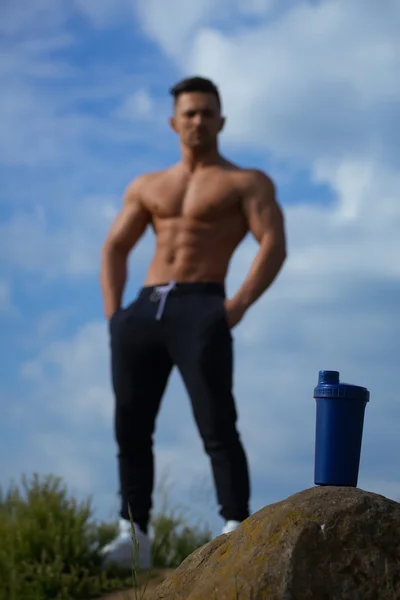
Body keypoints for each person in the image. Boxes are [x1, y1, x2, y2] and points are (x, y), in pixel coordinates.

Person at [99, 76, 287, 570]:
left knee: (216, 420)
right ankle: (133, 534)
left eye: (207, 112)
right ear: (173, 122)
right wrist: (115, 315)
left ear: (221, 120)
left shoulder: (246, 182)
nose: (198, 121)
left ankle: (234, 526)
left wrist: (239, 304)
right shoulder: (148, 186)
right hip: (143, 308)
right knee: (131, 424)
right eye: (189, 113)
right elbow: (115, 247)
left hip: (202, 303)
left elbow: (273, 243)